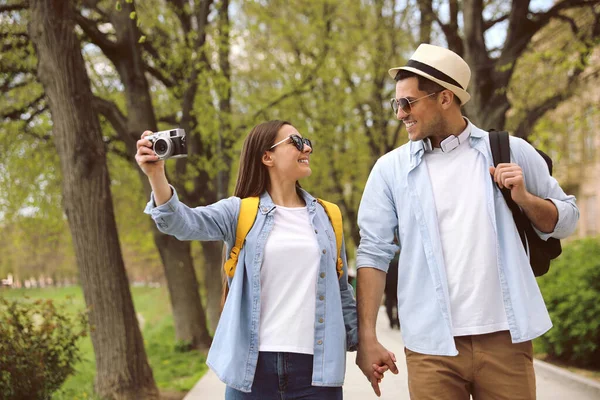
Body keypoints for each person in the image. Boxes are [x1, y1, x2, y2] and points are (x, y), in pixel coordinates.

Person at [354, 44, 579, 399]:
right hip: (431, 345)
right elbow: (373, 253)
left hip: (506, 337)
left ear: (445, 98)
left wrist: (526, 199)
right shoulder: (390, 170)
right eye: (397, 103)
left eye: (408, 102)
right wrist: (366, 338)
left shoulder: (509, 150)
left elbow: (567, 219)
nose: (400, 114)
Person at [136, 120, 358, 399]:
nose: (308, 148)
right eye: (296, 142)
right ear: (267, 156)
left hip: (317, 372)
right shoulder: (239, 212)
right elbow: (181, 223)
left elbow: (341, 291)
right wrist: (156, 175)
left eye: (307, 141)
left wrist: (367, 346)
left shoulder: (329, 217)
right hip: (252, 371)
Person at [384, 251, 400, 330]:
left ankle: (392, 322)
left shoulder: (387, 259)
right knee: (398, 304)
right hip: (398, 286)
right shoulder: (400, 259)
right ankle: (397, 322)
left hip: (390, 286)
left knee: (389, 303)